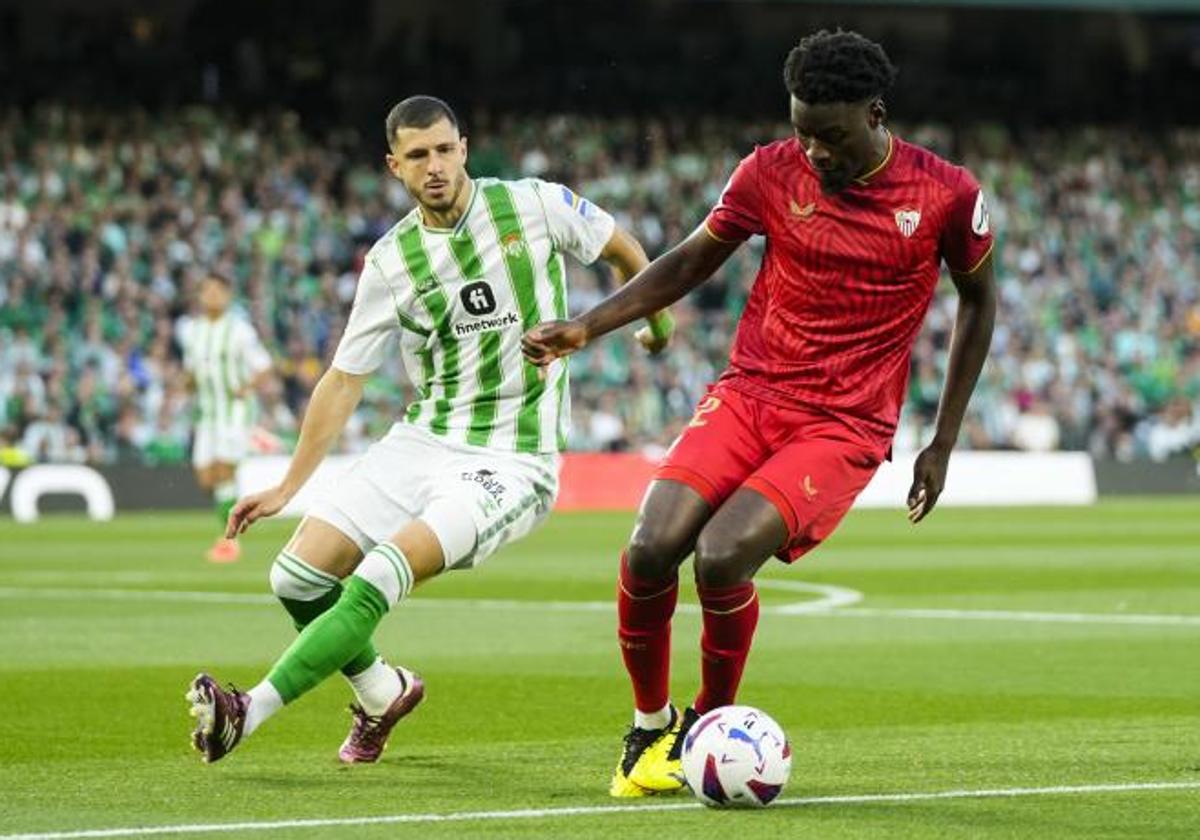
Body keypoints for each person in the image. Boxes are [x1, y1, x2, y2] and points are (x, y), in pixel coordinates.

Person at [522, 29, 996, 797]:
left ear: (876, 115)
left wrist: (942, 439)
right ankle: (649, 731)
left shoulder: (946, 194)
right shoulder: (769, 172)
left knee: (720, 556)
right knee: (649, 548)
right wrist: (586, 325)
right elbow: (688, 260)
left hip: (844, 422)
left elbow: (980, 304)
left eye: (832, 135)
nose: (813, 150)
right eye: (801, 128)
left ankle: (709, 732)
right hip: (751, 391)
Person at [186, 95, 673, 764]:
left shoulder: (535, 205)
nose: (435, 166)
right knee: (295, 578)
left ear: (464, 147)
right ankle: (382, 691)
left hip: (512, 459)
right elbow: (343, 378)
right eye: (418, 156)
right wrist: (287, 486)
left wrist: (658, 322)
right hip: (424, 440)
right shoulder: (391, 263)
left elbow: (621, 250)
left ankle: (250, 710)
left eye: (445, 150)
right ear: (395, 167)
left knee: (379, 576)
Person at [179, 272, 273, 562]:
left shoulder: (239, 330)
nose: (212, 296)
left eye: (218, 291)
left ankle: (228, 541)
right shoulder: (192, 331)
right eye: (207, 291)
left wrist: (247, 388)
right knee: (206, 478)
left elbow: (264, 365)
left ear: (228, 295)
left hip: (234, 413)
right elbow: (191, 372)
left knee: (223, 471)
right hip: (206, 414)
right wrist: (187, 385)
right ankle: (232, 508)